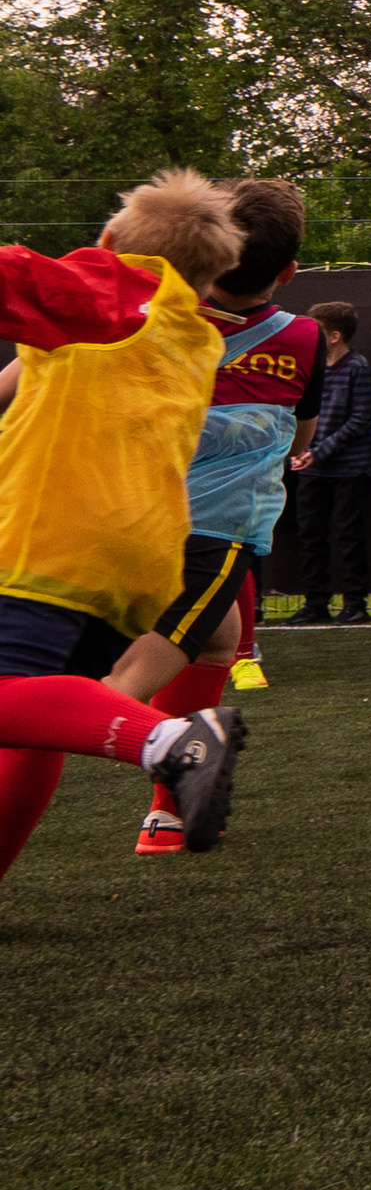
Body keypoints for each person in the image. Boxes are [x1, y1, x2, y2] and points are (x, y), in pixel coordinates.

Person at [0, 170, 250, 885]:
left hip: (47, 544)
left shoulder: (106, 293)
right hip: (136, 558)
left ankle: (173, 742)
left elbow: (15, 275)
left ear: (106, 243)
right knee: (39, 717)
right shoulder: (189, 332)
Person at [104, 178, 319, 855]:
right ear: (287, 272)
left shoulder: (144, 321)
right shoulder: (305, 339)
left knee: (220, 641)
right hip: (212, 536)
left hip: (117, 518)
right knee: (107, 693)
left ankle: (168, 816)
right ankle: (167, 767)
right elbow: (303, 440)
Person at [288, 300, 371, 625]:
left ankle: (355, 603)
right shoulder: (309, 367)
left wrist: (317, 450)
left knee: (348, 535)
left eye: (317, 330)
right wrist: (300, 450)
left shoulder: (358, 367)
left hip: (348, 469)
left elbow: (359, 419)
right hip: (310, 468)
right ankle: (316, 603)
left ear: (335, 336)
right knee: (310, 535)